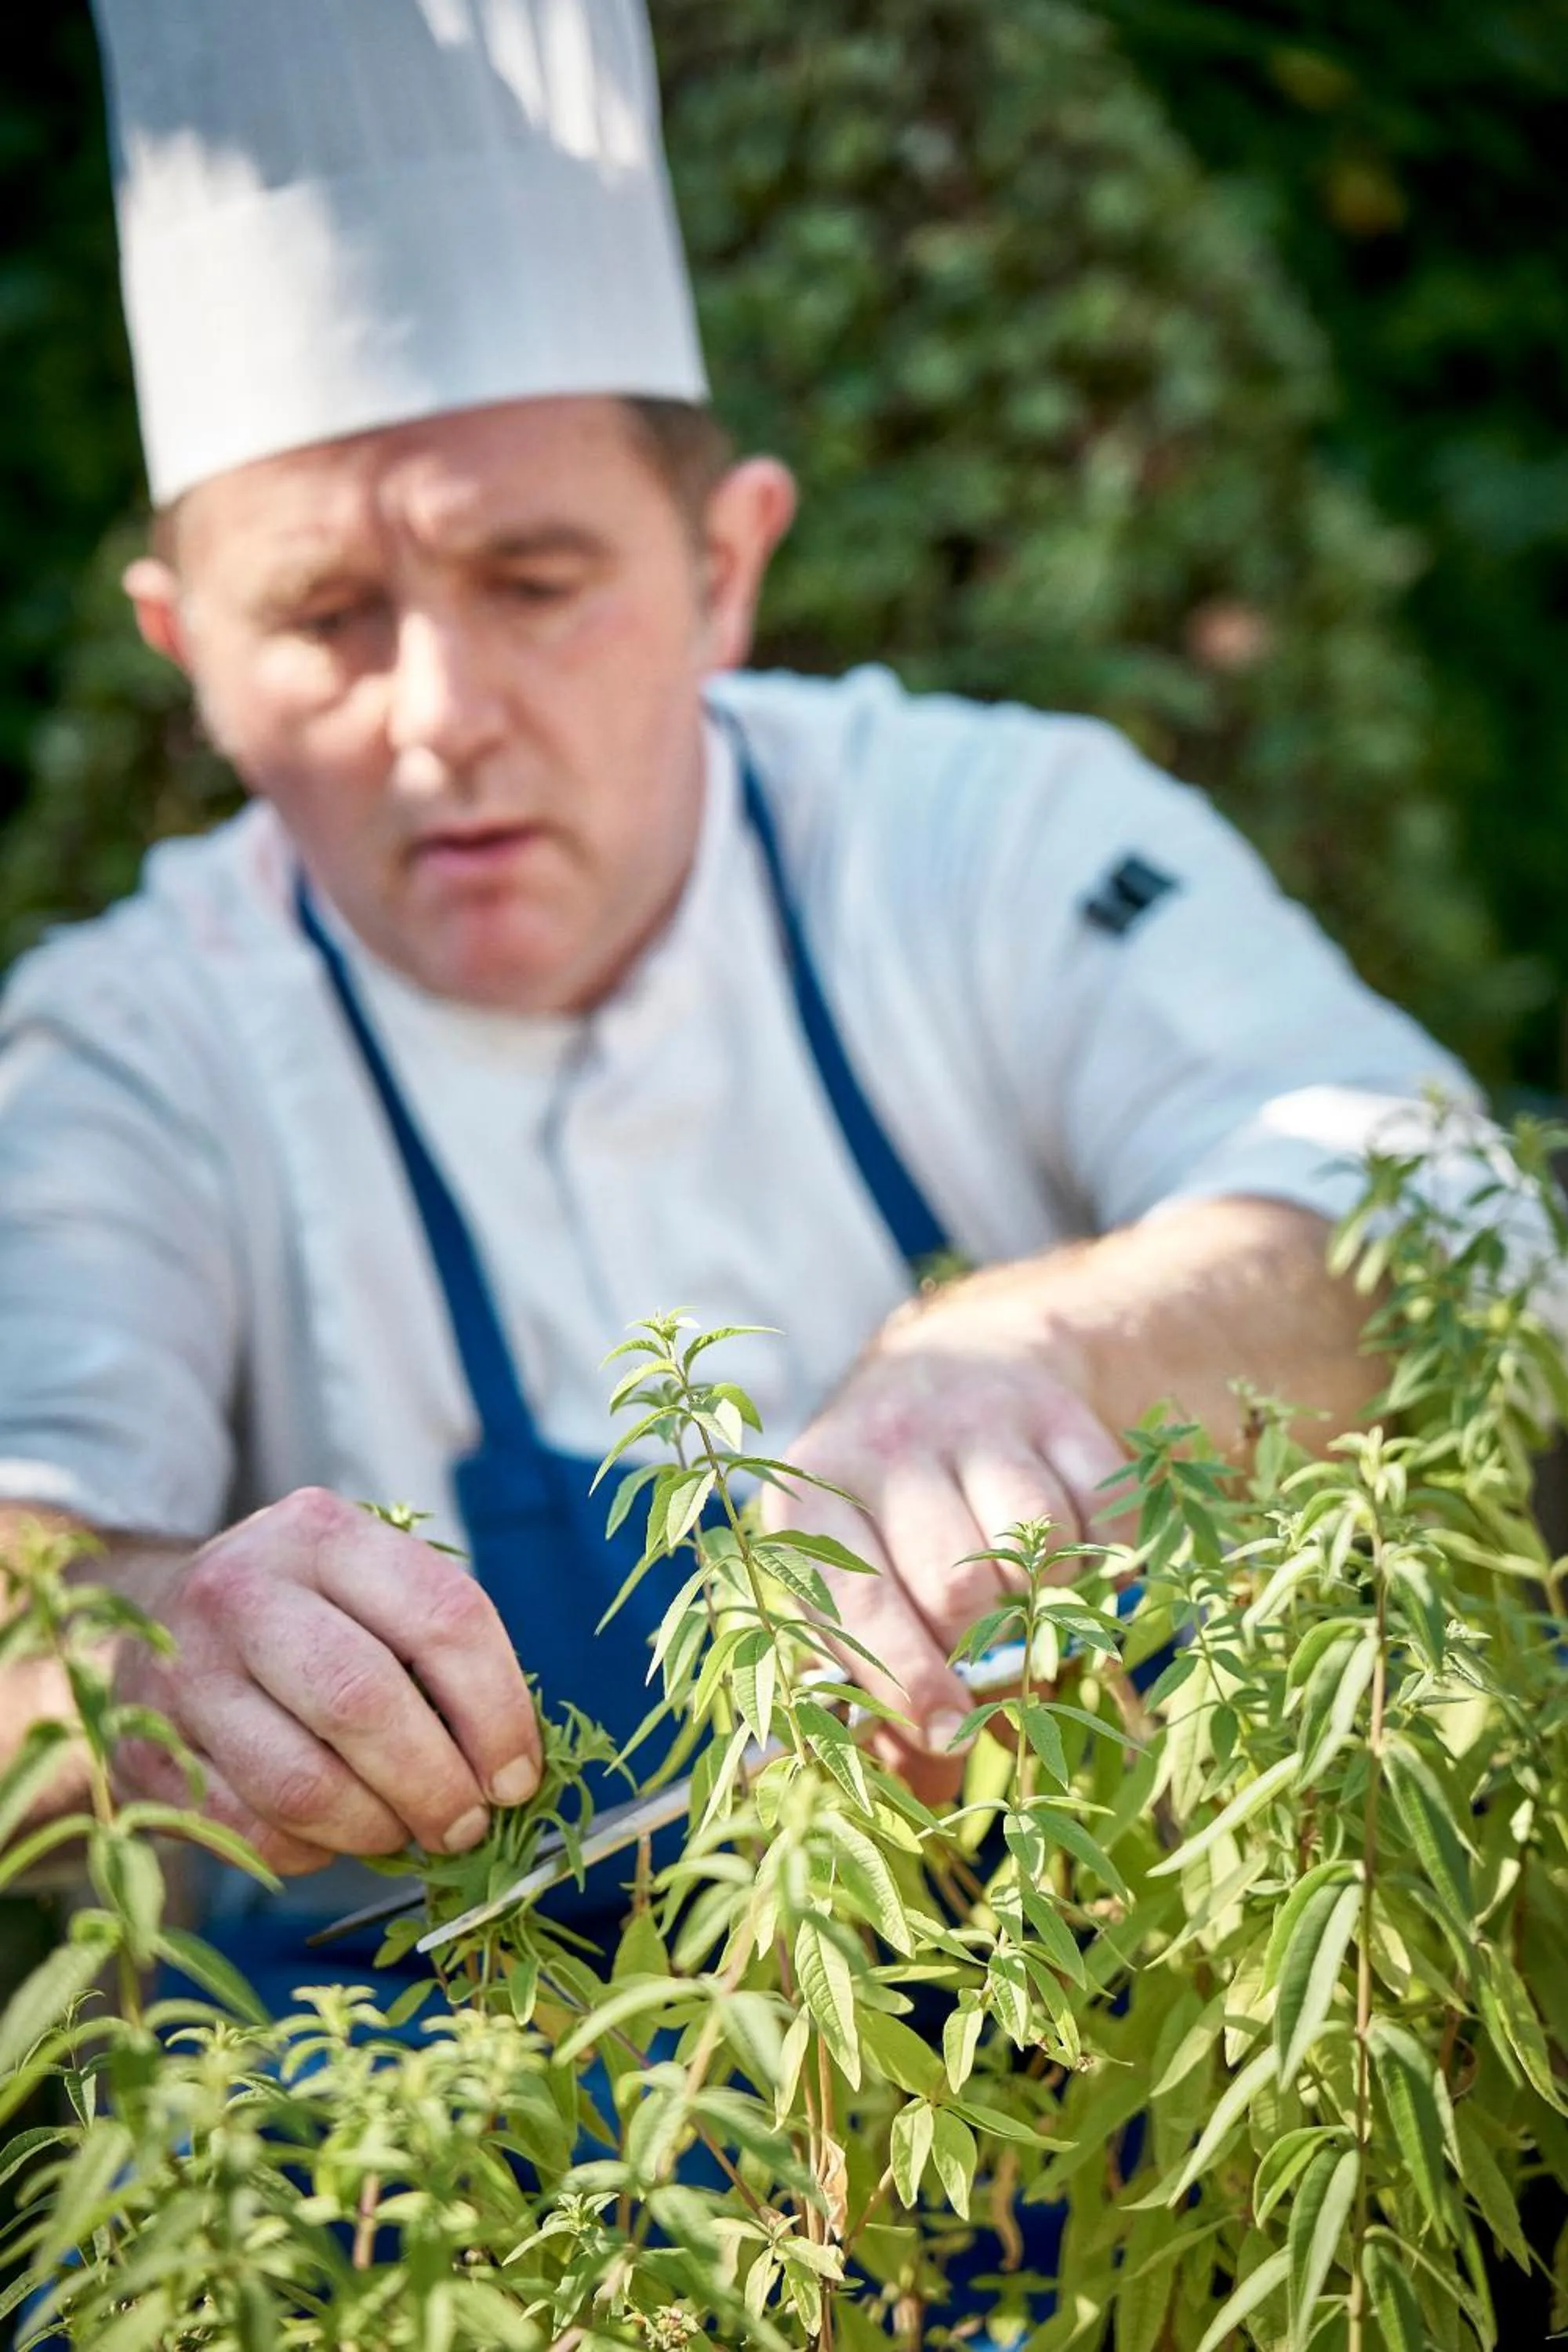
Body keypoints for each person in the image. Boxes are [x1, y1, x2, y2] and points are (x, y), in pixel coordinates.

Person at [1, 0, 1475, 1986]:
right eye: (325, 618)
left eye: (534, 582)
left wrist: (1055, 1355)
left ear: (724, 562)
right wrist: (152, 1637)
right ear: (187, 648)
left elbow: (1439, 1208)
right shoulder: (121, 1048)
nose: (438, 719)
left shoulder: (994, 833)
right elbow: (28, 1557)